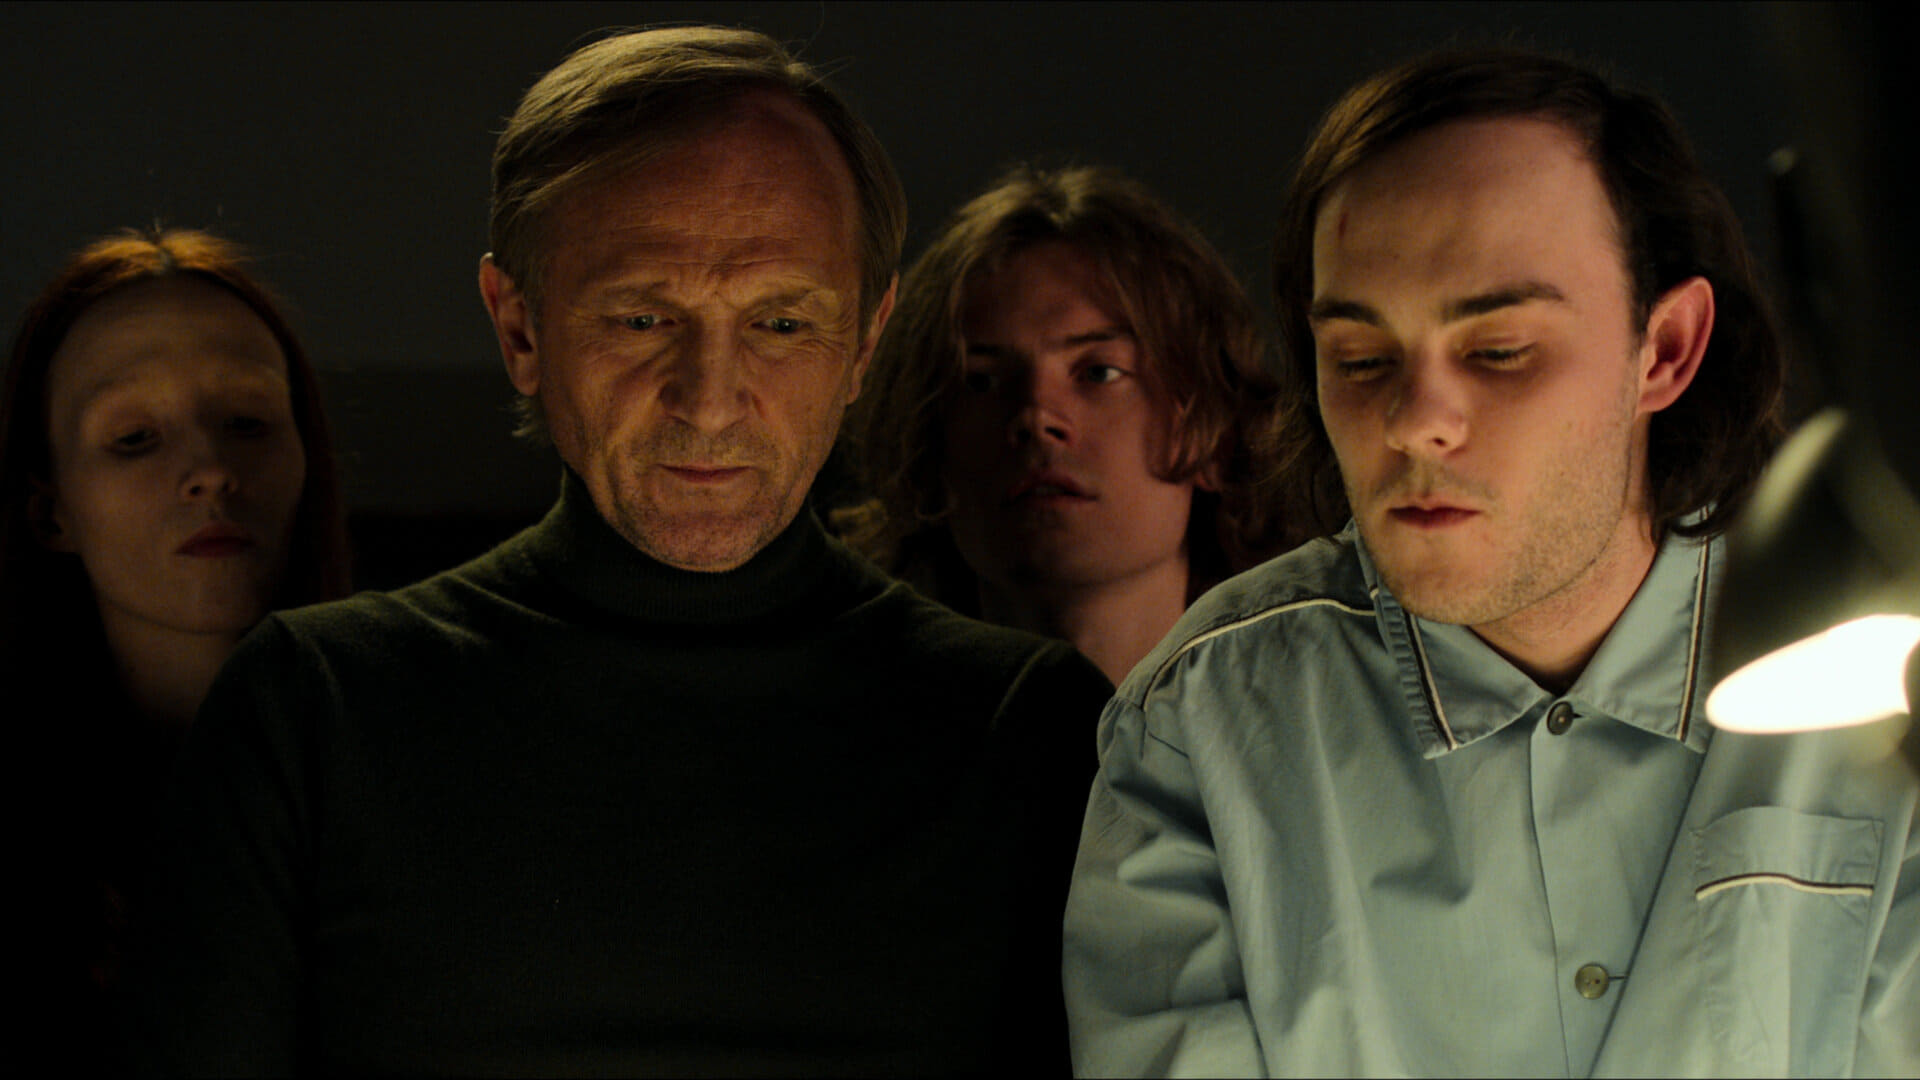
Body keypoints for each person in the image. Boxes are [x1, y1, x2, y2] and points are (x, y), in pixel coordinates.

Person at [123, 26, 1111, 1075]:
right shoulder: (313, 714)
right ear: (520, 330)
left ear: (865, 340)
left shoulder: (1027, 733)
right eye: (642, 319)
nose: (711, 401)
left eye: (781, 325)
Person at [1063, 49, 1918, 1076]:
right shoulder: (1203, 728)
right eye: (1360, 361)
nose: (1415, 421)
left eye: (1498, 350)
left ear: (1666, 350)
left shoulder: (1876, 673)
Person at [0, 228, 349, 1063]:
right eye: (134, 439)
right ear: (51, 511)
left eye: (247, 422)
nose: (210, 469)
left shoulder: (405, 757)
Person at [847, 165, 1294, 686]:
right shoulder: (846, 714)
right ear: (925, 444)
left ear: (1212, 431)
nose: (1036, 415)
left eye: (1099, 373)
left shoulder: (1317, 711)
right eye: (982, 381)